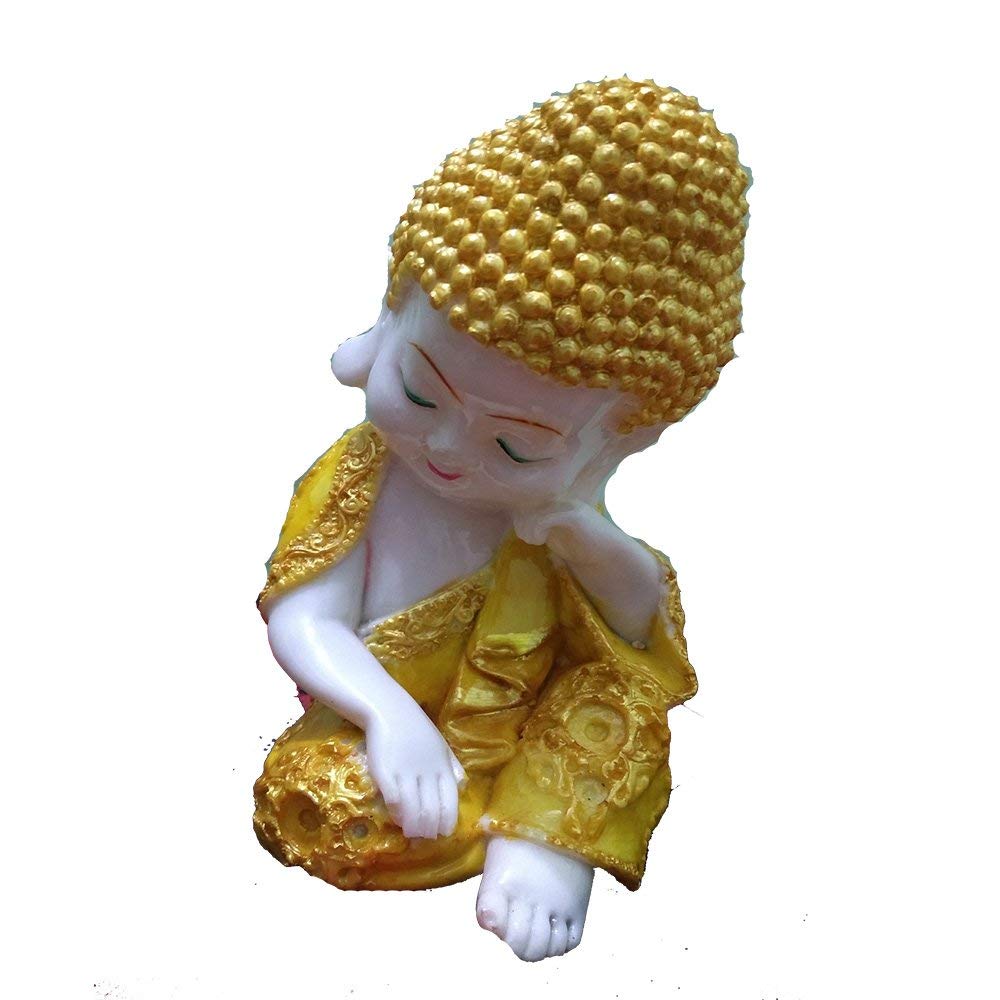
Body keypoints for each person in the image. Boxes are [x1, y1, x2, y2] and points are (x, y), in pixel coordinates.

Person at [253, 76, 749, 963]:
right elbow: (306, 619)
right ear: (391, 313)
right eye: (418, 391)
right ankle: (491, 816)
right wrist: (388, 715)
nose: (447, 448)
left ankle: (543, 838)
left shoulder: (551, 518)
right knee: (318, 805)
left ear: (619, 442)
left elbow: (638, 629)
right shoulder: (362, 473)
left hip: (526, 727)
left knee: (622, 705)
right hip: (378, 729)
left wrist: (582, 532)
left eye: (516, 446)